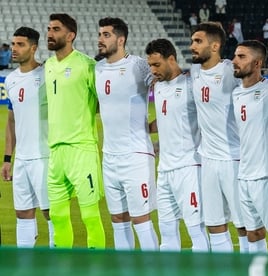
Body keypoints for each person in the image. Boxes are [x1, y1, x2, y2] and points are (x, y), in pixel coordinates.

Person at [95, 17, 159, 251]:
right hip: (109, 156)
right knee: (118, 220)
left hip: (136, 155)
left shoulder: (139, 65)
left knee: (141, 219)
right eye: (100, 34)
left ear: (121, 39)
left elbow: (166, 90)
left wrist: (158, 126)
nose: (100, 39)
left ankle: (154, 274)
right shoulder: (98, 68)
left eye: (106, 35)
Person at [45, 13, 105, 249]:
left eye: (56, 29)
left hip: (81, 149)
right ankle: (63, 268)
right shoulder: (48, 65)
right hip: (55, 151)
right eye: (49, 29)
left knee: (90, 216)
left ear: (71, 35)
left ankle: (97, 269)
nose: (50, 33)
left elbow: (102, 102)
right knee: (57, 216)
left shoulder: (87, 65)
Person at [146, 38, 209, 252]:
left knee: (196, 228)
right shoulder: (160, 87)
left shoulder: (192, 86)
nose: (153, 70)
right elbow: (165, 120)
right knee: (167, 230)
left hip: (189, 168)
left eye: (156, 64)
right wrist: (147, 130)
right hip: (164, 170)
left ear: (171, 59)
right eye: (150, 65)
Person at [190, 22, 247, 253]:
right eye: (192, 41)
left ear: (215, 46)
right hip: (208, 160)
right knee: (215, 225)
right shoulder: (194, 72)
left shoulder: (230, 71)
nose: (192, 46)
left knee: (245, 226)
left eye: (198, 41)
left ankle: (251, 273)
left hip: (234, 159)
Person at [2, 27, 53, 248]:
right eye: (13, 44)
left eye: (20, 44)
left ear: (33, 48)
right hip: (21, 159)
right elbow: (11, 122)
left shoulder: (47, 75)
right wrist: (6, 159)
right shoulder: (11, 79)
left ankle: (57, 263)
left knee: (51, 212)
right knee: (23, 213)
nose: (14, 48)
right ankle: (25, 263)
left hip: (45, 157)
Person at [231, 40, 268, 253]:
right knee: (253, 233)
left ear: (257, 63)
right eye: (235, 56)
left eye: (242, 57)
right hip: (244, 176)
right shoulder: (235, 93)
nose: (235, 61)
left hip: (267, 175)